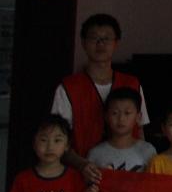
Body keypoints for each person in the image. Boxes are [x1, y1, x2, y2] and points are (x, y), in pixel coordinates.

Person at [51, 14, 149, 180]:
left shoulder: (132, 83)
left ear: (116, 43)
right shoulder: (68, 87)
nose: (100, 44)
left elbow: (140, 130)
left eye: (106, 38)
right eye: (94, 38)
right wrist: (82, 165)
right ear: (83, 43)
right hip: (80, 178)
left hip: (128, 179)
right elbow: (57, 139)